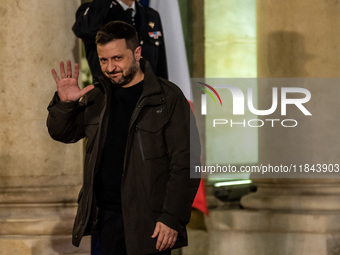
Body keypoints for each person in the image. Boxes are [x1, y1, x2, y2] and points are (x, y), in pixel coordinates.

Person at [47, 21, 200, 255]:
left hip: (150, 223)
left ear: (137, 52)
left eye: (117, 58)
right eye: (104, 60)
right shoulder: (96, 96)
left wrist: (171, 217)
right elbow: (63, 133)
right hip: (106, 220)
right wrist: (66, 104)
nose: (110, 68)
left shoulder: (167, 98)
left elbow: (186, 163)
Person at [72, 0, 168, 80]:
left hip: (149, 97)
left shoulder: (151, 15)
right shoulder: (97, 12)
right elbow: (85, 30)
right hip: (111, 98)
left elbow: (160, 66)